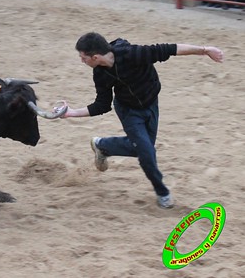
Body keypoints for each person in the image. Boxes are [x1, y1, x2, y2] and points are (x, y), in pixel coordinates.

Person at [58, 32, 224, 209]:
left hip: (151, 104)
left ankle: (103, 145)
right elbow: (102, 105)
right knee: (146, 152)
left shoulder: (132, 53)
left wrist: (205, 50)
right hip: (128, 110)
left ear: (95, 57)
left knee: (142, 148)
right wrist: (71, 113)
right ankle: (163, 193)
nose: (82, 61)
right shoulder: (100, 74)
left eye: (83, 57)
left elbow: (171, 49)